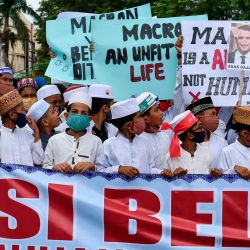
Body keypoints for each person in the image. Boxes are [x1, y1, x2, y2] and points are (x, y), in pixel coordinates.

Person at [96, 98, 157, 177]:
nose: (142, 120)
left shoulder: (145, 142)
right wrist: (118, 169)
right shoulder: (108, 145)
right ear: (129, 125)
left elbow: (151, 169)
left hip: (143, 188)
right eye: (139, 117)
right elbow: (99, 171)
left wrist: (163, 172)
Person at [43, 92, 102, 173]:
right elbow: (45, 167)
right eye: (74, 112)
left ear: (89, 119)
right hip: (60, 184)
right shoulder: (54, 140)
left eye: (84, 113)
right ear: (66, 116)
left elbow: (102, 169)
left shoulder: (96, 141)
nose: (79, 116)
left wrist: (92, 167)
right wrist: (54, 168)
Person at [0, 89, 44, 166]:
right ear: (12, 115)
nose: (25, 114)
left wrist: (36, 131)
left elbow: (39, 160)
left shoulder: (27, 133)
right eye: (22, 110)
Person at [186, 96, 227, 177]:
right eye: (212, 114)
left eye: (216, 114)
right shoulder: (184, 143)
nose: (217, 118)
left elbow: (226, 171)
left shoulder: (222, 142)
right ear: (198, 118)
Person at [163, 110, 212, 176]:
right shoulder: (170, 158)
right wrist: (174, 176)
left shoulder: (206, 152)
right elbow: (167, 182)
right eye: (199, 128)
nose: (203, 131)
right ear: (190, 135)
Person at [136, 91, 172, 176]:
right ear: (146, 119)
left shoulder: (165, 137)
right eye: (156, 110)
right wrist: (162, 173)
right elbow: (142, 170)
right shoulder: (137, 140)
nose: (161, 113)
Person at [219, 106, 250, 178]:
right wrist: (234, 169)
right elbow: (220, 181)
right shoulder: (227, 152)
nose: (248, 137)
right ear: (239, 132)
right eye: (245, 134)